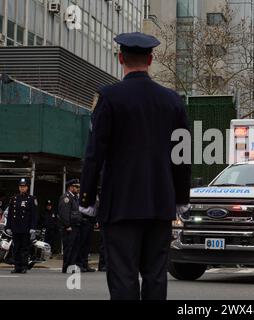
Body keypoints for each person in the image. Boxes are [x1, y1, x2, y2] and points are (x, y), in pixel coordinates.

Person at [79, 32, 191, 300]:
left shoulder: (109, 97)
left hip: (120, 204)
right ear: (151, 59)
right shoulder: (173, 100)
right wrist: (180, 197)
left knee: (123, 276)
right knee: (155, 275)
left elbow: (95, 153)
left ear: (120, 58)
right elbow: (182, 155)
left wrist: (87, 197)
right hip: (160, 203)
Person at [5, 178, 38, 274]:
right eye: (20, 186)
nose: (22, 188)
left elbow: (34, 215)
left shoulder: (31, 199)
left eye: (24, 186)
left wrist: (33, 227)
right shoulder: (14, 198)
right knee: (16, 248)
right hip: (15, 228)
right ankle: (17, 266)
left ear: (27, 187)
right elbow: (10, 214)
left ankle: (24, 266)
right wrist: (8, 227)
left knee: (24, 248)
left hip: (26, 228)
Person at [58, 179, 82, 273]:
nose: (78, 189)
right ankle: (66, 267)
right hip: (69, 227)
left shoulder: (75, 198)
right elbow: (64, 213)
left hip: (76, 226)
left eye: (78, 187)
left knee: (75, 248)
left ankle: (71, 267)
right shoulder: (66, 197)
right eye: (76, 187)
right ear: (70, 187)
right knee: (69, 247)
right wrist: (67, 225)